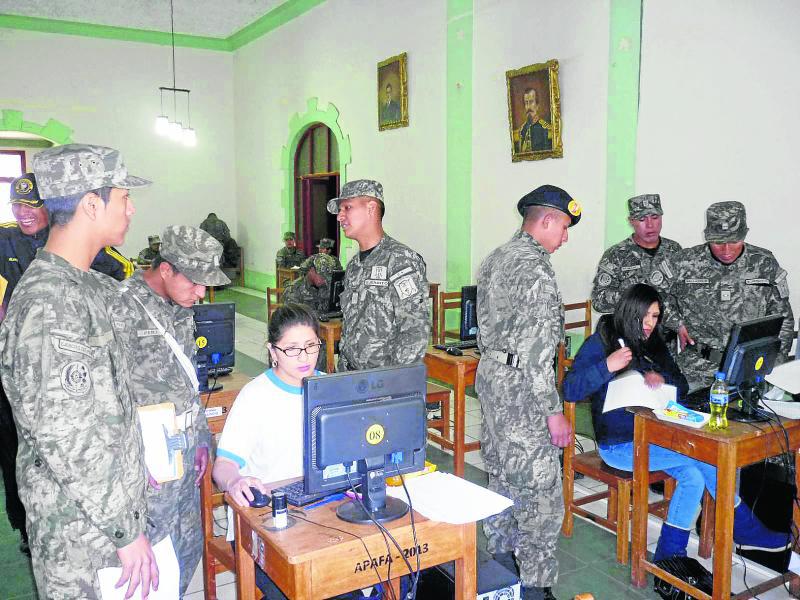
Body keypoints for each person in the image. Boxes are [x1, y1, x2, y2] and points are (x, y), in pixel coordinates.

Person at [0, 144, 158, 598]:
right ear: (91, 204)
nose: (131, 208)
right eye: (123, 198)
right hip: (82, 534)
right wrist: (125, 532)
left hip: (103, 514)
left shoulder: (82, 284)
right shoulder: (50, 304)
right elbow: (66, 437)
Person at [563, 284, 789, 567]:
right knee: (707, 460)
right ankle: (742, 526)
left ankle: (669, 556)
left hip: (659, 439)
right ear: (626, 313)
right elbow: (570, 389)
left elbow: (680, 384)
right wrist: (607, 366)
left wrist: (661, 378)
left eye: (655, 317)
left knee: (694, 476)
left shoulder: (654, 343)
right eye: (643, 317)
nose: (649, 324)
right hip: (619, 446)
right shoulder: (602, 342)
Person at [475, 184, 581, 600]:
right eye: (565, 227)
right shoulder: (535, 269)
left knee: (501, 477)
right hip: (524, 391)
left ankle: (501, 578)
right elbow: (537, 352)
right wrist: (553, 412)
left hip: (493, 379)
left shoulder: (496, 258)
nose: (565, 238)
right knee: (539, 496)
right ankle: (536, 589)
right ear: (547, 220)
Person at [113, 225, 228, 595]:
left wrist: (199, 439)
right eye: (195, 282)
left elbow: (187, 383)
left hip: (182, 454)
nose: (201, 292)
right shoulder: (121, 307)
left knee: (186, 551)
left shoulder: (181, 307)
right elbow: (107, 397)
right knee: (152, 563)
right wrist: (128, 457)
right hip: (147, 464)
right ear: (166, 270)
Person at [212, 304, 324, 600]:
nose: (304, 357)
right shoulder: (255, 396)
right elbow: (223, 465)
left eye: (312, 346)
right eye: (292, 349)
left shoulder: (328, 387)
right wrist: (235, 482)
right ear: (272, 351)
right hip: (266, 522)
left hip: (323, 511)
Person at [649, 201, 794, 390]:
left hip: (749, 370)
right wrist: (676, 322)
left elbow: (783, 318)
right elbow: (650, 296)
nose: (727, 250)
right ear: (707, 236)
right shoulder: (684, 263)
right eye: (718, 242)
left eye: (734, 241)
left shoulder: (763, 263)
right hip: (696, 371)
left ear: (744, 234)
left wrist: (774, 365)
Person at [327, 179, 430, 371]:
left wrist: (395, 382)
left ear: (371, 208)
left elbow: (415, 330)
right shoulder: (354, 266)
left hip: (383, 382)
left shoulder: (400, 260)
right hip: (351, 377)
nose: (340, 217)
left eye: (347, 208)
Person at [591, 194, 682, 313]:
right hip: (631, 328)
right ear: (631, 221)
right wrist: (636, 297)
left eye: (654, 217)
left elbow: (684, 291)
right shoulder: (616, 254)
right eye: (642, 219)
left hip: (668, 328)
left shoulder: (674, 249)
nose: (650, 225)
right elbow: (598, 301)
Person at [516, 88, 552, 153]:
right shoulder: (522, 130)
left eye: (531, 102)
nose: (528, 106)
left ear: (537, 105)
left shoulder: (545, 129)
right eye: (526, 103)